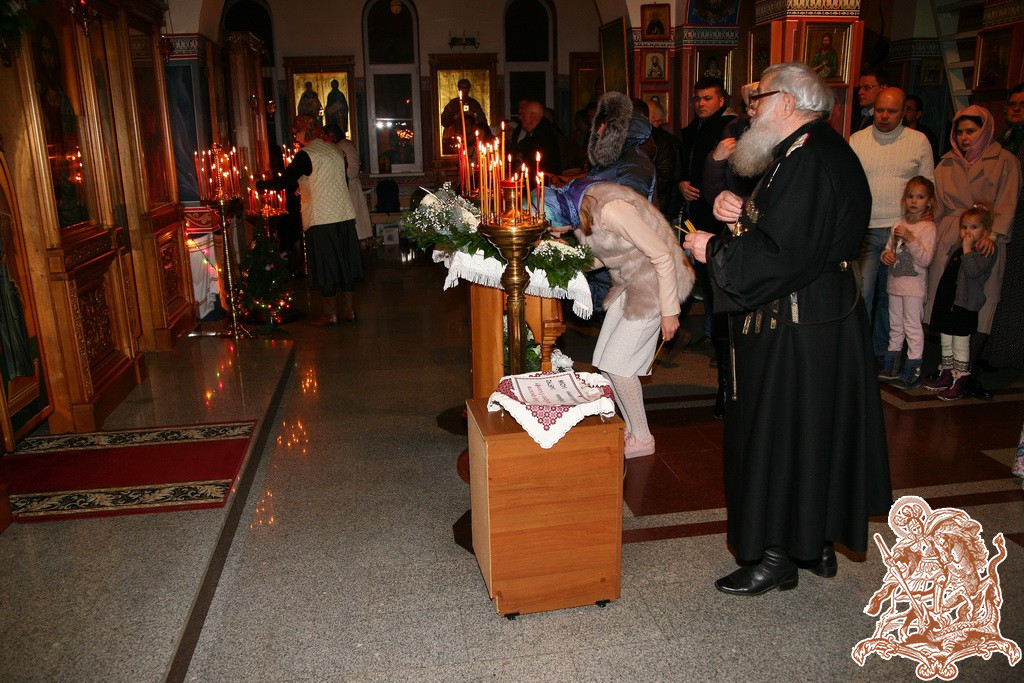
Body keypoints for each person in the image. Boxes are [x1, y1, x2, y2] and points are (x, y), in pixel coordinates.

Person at [683, 62, 892, 596]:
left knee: (778, 433)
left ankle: (775, 555)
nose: (750, 107)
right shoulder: (806, 150)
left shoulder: (809, 158)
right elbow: (790, 229)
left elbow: (784, 256)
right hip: (817, 317)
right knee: (810, 433)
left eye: (759, 97)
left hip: (797, 322)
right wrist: (739, 215)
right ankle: (811, 542)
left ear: (789, 102)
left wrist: (714, 249)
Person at [544, 178, 694, 458]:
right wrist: (568, 263)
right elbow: (607, 256)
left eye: (552, 227)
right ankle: (632, 430)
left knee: (619, 367)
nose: (553, 233)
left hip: (656, 285)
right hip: (631, 281)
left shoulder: (610, 208)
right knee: (606, 362)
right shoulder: (580, 210)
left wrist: (670, 311)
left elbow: (662, 255)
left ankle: (643, 437)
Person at [925, 105, 1021, 400]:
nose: (965, 137)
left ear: (985, 130)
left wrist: (992, 234)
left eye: (971, 131)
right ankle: (948, 369)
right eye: (960, 132)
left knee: (980, 304)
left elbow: (1007, 202)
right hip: (950, 237)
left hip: (986, 238)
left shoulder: (1005, 161)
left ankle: (966, 372)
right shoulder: (946, 163)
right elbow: (937, 206)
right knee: (946, 304)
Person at [850, 87, 934, 364]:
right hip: (866, 229)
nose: (884, 116)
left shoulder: (918, 141)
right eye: (880, 110)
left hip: (902, 231)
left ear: (904, 112)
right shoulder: (857, 139)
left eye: (892, 111)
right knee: (861, 294)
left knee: (893, 298)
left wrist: (922, 224)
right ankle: (859, 354)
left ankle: (883, 353)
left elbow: (928, 185)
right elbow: (849, 185)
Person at [257, 115, 362, 325]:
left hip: (321, 218)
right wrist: (304, 186)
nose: (295, 138)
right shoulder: (335, 149)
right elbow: (335, 180)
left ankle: (330, 314)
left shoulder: (306, 154)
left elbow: (283, 182)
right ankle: (348, 311)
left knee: (325, 266)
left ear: (305, 130)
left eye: (296, 133)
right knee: (345, 264)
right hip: (343, 215)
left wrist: (258, 185)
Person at [922, 203, 997, 401]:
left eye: (974, 227)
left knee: (960, 343)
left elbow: (973, 271)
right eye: (964, 227)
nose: (967, 232)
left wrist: (967, 249)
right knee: (946, 339)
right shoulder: (958, 246)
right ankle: (947, 374)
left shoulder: (984, 250)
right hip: (949, 302)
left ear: (985, 231)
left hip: (965, 305)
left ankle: (960, 380)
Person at [878, 176, 938, 388]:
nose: (914, 201)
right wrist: (885, 255)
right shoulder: (898, 224)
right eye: (910, 196)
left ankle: (913, 369)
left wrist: (911, 239)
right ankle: (891, 364)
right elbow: (889, 248)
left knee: (912, 327)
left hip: (914, 288)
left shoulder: (928, 227)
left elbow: (925, 260)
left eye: (920, 197)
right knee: (895, 326)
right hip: (895, 285)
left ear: (929, 201)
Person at [985, 84, 1024, 370]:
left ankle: (1008, 355)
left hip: (1019, 221)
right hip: (997, 219)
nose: (1017, 109)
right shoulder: (1001, 139)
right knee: (995, 287)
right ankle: (991, 351)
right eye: (1012, 104)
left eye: (1022, 104)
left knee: (1014, 289)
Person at [323, 124, 373, 243]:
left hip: (349, 190)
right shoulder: (336, 147)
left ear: (332, 135)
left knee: (353, 229)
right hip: (341, 191)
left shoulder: (346, 146)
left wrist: (332, 174)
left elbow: (352, 171)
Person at [646, 98, 683, 221]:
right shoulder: (645, 139)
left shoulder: (668, 142)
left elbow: (674, 179)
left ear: (657, 116)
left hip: (661, 210)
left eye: (646, 112)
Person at [440, 79, 491, 155]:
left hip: (472, 136)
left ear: (469, 89)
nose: (463, 90)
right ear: (458, 89)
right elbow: (443, 120)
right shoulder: (452, 104)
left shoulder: (474, 103)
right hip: (456, 133)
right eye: (461, 88)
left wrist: (474, 115)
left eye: (465, 88)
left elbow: (482, 121)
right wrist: (455, 117)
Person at [516, 100, 562, 177]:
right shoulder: (536, 132)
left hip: (543, 180)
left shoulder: (544, 134)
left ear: (532, 116)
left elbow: (536, 164)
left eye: (523, 114)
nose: (520, 117)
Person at [904, 95, 939, 162]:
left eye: (909, 109)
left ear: (918, 114)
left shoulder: (925, 135)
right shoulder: (895, 130)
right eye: (903, 108)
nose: (904, 113)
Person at [854, 67, 888, 132]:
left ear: (883, 88)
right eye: (859, 88)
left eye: (867, 87)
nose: (860, 92)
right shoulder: (855, 113)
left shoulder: (886, 118)